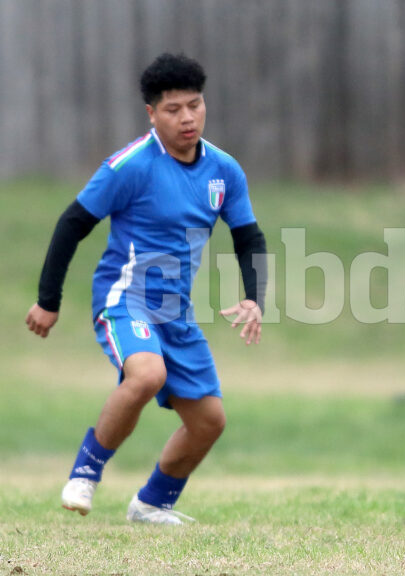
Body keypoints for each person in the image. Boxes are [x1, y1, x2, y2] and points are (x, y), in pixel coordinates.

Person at [25, 53, 267, 524]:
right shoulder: (130, 166)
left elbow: (248, 237)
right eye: (173, 109)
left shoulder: (224, 170)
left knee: (209, 423)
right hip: (124, 298)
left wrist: (255, 297)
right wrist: (48, 301)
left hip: (176, 310)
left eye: (194, 105)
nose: (187, 117)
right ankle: (85, 474)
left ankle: (152, 504)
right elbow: (72, 224)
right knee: (146, 375)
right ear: (152, 114)